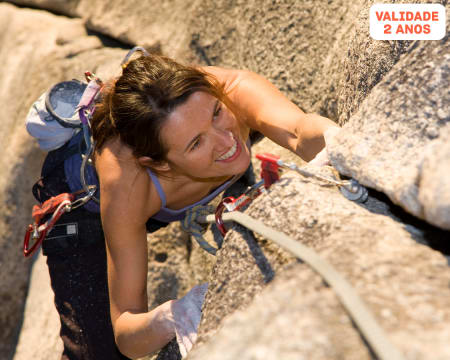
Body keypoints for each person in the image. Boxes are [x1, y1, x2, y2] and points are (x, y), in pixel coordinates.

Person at [37, 51, 339, 360]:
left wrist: (340, 143)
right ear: (158, 164)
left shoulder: (232, 90)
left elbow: (300, 131)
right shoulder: (127, 182)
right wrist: (174, 316)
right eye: (196, 143)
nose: (225, 141)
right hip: (82, 210)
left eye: (217, 113)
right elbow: (126, 331)